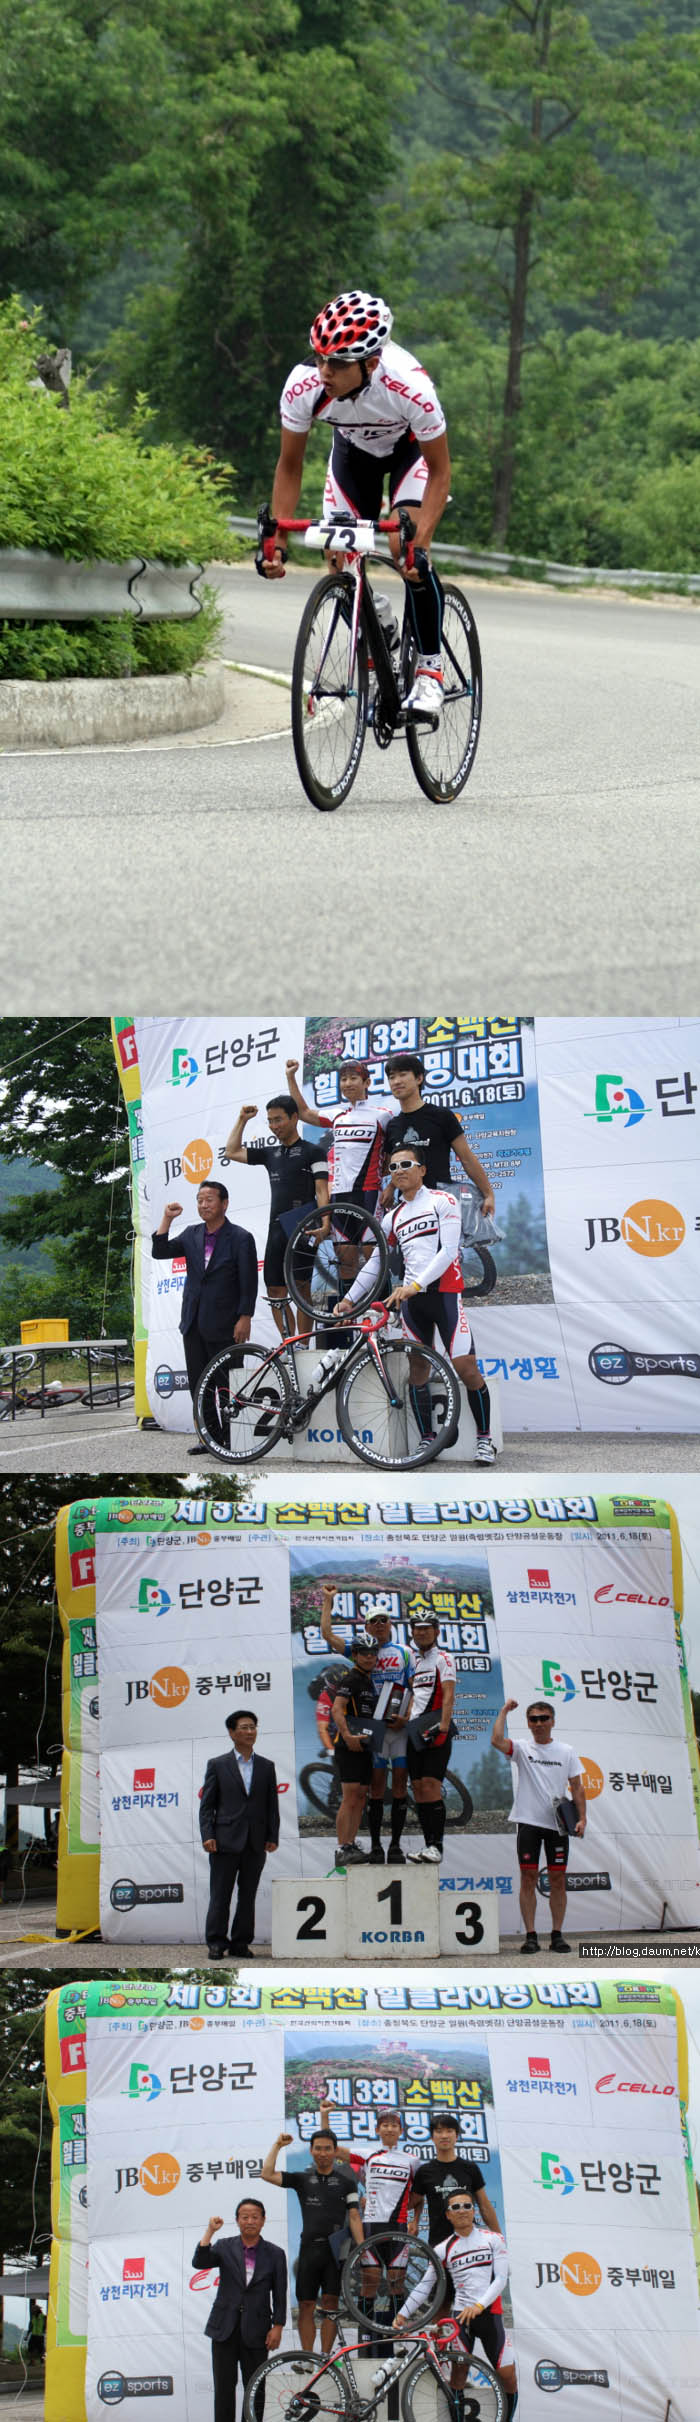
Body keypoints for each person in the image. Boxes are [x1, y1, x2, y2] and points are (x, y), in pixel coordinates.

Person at [256, 289, 451, 722]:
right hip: (352, 456)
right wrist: (277, 541)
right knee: (338, 557)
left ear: (371, 364)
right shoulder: (304, 385)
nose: (325, 371)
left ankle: (430, 671)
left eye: (339, 363)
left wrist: (422, 540)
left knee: (404, 550)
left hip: (409, 454)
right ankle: (379, 635)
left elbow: (440, 472)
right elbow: (289, 465)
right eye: (320, 357)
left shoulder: (410, 387)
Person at [336, 1142, 496, 1463]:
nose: (399, 1171)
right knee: (418, 1370)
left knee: (465, 1368)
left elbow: (448, 1251)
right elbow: (377, 1262)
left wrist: (415, 1285)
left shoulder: (442, 1201)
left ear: (422, 1170)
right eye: (393, 1167)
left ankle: (484, 1440)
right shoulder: (392, 1217)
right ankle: (427, 1440)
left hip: (444, 1295)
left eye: (406, 1164)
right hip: (413, 1303)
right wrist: (349, 1299)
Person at [151, 1183, 258, 1449]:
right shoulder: (191, 1234)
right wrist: (167, 1219)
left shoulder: (241, 1237)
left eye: (209, 1199)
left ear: (224, 1203)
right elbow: (160, 1251)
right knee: (200, 1386)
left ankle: (233, 1440)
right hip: (193, 1322)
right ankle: (209, 1438)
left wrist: (245, 1317)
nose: (203, 1205)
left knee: (228, 1385)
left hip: (227, 1325)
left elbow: (249, 1282)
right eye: (199, 1200)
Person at [397, 2188, 517, 2418]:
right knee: (458, 2375)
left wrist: (479, 2306)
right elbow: (424, 2285)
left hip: (489, 2314)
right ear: (448, 2215)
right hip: (461, 2318)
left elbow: (501, 2279)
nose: (462, 2211)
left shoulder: (494, 2239)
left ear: (473, 2211)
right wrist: (402, 2314)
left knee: (508, 2375)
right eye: (456, 2207)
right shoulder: (442, 2249)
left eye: (467, 2206)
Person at [321, 1582, 414, 1864]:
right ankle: (359, 1847)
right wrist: (328, 1602)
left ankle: (389, 1846)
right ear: (367, 1628)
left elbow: (414, 1688)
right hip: (367, 1733)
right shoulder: (358, 1651)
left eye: (384, 1620)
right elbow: (327, 1635)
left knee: (379, 1789)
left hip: (394, 1727)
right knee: (367, 1791)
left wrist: (408, 1716)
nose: (380, 1624)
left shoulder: (404, 1651)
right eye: (374, 1621)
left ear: (391, 1624)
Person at [224, 1096, 329, 1337]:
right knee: (274, 1290)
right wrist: (242, 1120)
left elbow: (322, 1190)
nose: (274, 1126)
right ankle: (288, 1343)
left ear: (294, 1118)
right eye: (270, 1121)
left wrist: (325, 1223)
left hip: (303, 1224)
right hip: (276, 1227)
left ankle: (303, 1343)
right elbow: (231, 1151)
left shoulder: (314, 1151)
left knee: (302, 1288)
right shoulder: (270, 1153)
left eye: (279, 1119)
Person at [491, 1698, 586, 1955]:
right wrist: (504, 1711)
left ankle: (557, 1935)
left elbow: (577, 1787)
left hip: (558, 1826)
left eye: (544, 1718)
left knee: (558, 1880)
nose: (539, 1723)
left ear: (552, 1721)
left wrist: (582, 1818)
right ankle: (531, 1936)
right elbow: (497, 1740)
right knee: (528, 1879)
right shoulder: (522, 1748)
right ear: (528, 1723)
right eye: (534, 1719)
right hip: (529, 1823)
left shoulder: (566, 1751)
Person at [261, 2125, 364, 2352]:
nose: (323, 2153)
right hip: (309, 2249)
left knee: (330, 2304)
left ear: (335, 2151)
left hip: (335, 2251)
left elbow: (354, 2216)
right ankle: (308, 2359)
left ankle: (325, 2358)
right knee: (306, 2304)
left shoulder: (347, 2182)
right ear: (311, 2151)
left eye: (327, 2149)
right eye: (318, 2148)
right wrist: (277, 2146)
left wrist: (362, 2247)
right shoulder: (302, 2178)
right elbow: (266, 2174)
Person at [191, 2200, 287, 2422]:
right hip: (224, 2327)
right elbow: (199, 2262)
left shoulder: (275, 2253)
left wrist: (278, 2326)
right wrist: (210, 2231)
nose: (250, 2221)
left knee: (256, 2389)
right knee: (223, 2387)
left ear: (263, 2220)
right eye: (245, 2217)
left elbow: (280, 2294)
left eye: (255, 2217)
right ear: (237, 2220)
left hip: (258, 2330)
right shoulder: (224, 2246)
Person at [199, 1709, 280, 1960]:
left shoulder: (266, 1766)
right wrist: (207, 1834)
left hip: (255, 1841)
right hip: (224, 1841)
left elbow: (272, 1805)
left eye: (253, 1727)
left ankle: (240, 1943)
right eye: (244, 1727)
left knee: (248, 1896)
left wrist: (273, 1836)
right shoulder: (217, 1764)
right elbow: (207, 1806)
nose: (250, 1731)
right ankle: (216, 1942)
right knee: (220, 1895)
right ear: (232, 1733)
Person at [381, 1052, 495, 1214]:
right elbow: (395, 1167)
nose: (396, 1081)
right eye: (392, 1077)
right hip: (407, 1206)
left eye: (403, 1074)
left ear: (419, 1078)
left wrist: (488, 1194)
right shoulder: (393, 1125)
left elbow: (467, 1158)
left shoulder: (441, 1116)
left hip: (441, 1203)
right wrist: (391, 1187)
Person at [285, 1057, 394, 1214]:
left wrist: (390, 1184)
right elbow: (303, 1113)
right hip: (337, 1193)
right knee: (339, 1233)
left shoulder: (383, 1115)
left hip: (369, 1192)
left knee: (369, 1232)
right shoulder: (337, 1115)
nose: (348, 1083)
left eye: (353, 1078)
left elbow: (392, 1155)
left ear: (367, 1083)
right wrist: (290, 1077)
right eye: (343, 1079)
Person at [403, 1612, 457, 1866]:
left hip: (436, 1728)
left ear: (436, 1631)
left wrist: (443, 1727)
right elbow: (414, 1697)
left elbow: (448, 1694)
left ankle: (437, 1847)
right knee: (418, 1789)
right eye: (417, 1628)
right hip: (414, 1731)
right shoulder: (414, 1661)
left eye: (427, 1628)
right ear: (412, 1632)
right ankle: (428, 1846)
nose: (422, 1632)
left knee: (431, 1787)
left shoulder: (444, 1658)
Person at [330, 1630, 379, 1868]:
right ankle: (342, 1848)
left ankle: (351, 1845)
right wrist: (347, 1735)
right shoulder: (350, 1678)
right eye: (364, 1653)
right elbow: (336, 1709)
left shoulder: (368, 1680)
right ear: (356, 1655)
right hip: (348, 1745)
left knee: (360, 1797)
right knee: (350, 1797)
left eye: (373, 1653)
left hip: (365, 1745)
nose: (369, 1657)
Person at [409, 2112, 499, 2240]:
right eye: (439, 2131)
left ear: (456, 2136)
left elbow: (485, 2206)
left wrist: (499, 2237)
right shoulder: (424, 2171)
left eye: (449, 2131)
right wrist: (415, 2220)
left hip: (470, 2240)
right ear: (432, 2137)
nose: (444, 2136)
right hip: (438, 2242)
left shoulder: (470, 2168)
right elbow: (414, 2201)